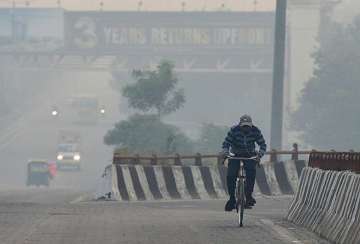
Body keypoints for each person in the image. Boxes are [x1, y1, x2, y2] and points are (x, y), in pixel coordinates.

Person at [221, 115, 267, 211]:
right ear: (240, 125)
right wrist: (226, 153)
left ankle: (248, 196)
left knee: (251, 174)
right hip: (235, 155)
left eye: (247, 126)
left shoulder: (255, 131)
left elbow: (262, 145)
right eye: (244, 126)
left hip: (250, 155)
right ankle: (232, 198)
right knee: (231, 175)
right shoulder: (234, 130)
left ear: (251, 125)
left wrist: (259, 155)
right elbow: (226, 144)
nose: (246, 129)